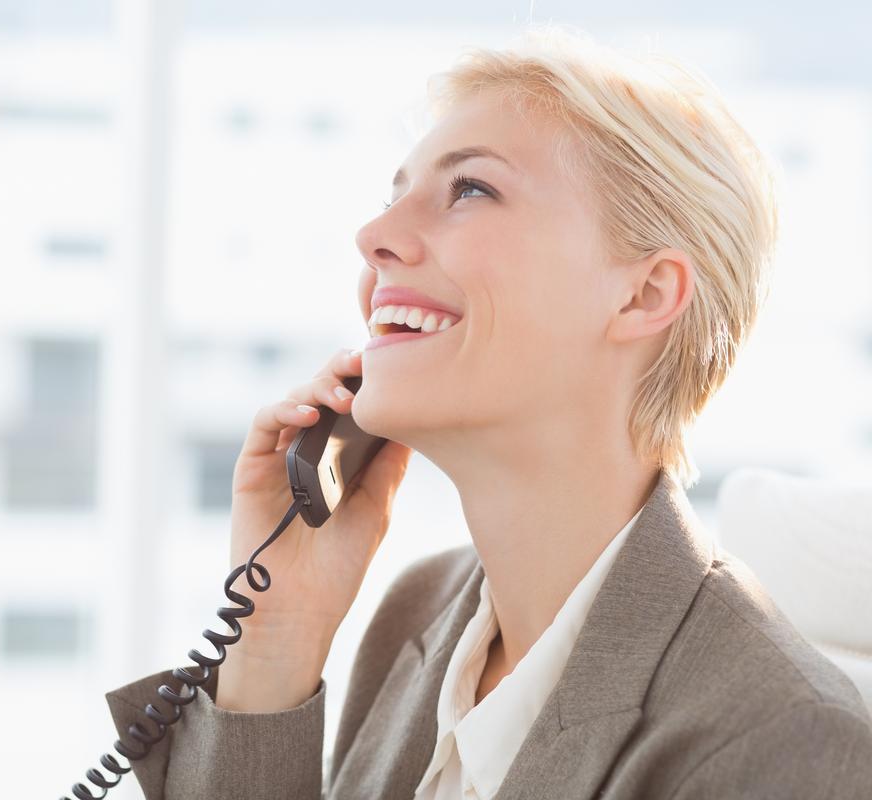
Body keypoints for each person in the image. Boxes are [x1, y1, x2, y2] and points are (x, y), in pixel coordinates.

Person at [101, 25, 872, 799]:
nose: (374, 238)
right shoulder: (418, 615)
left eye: (470, 189)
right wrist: (273, 639)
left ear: (643, 294)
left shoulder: (788, 747)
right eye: (393, 196)